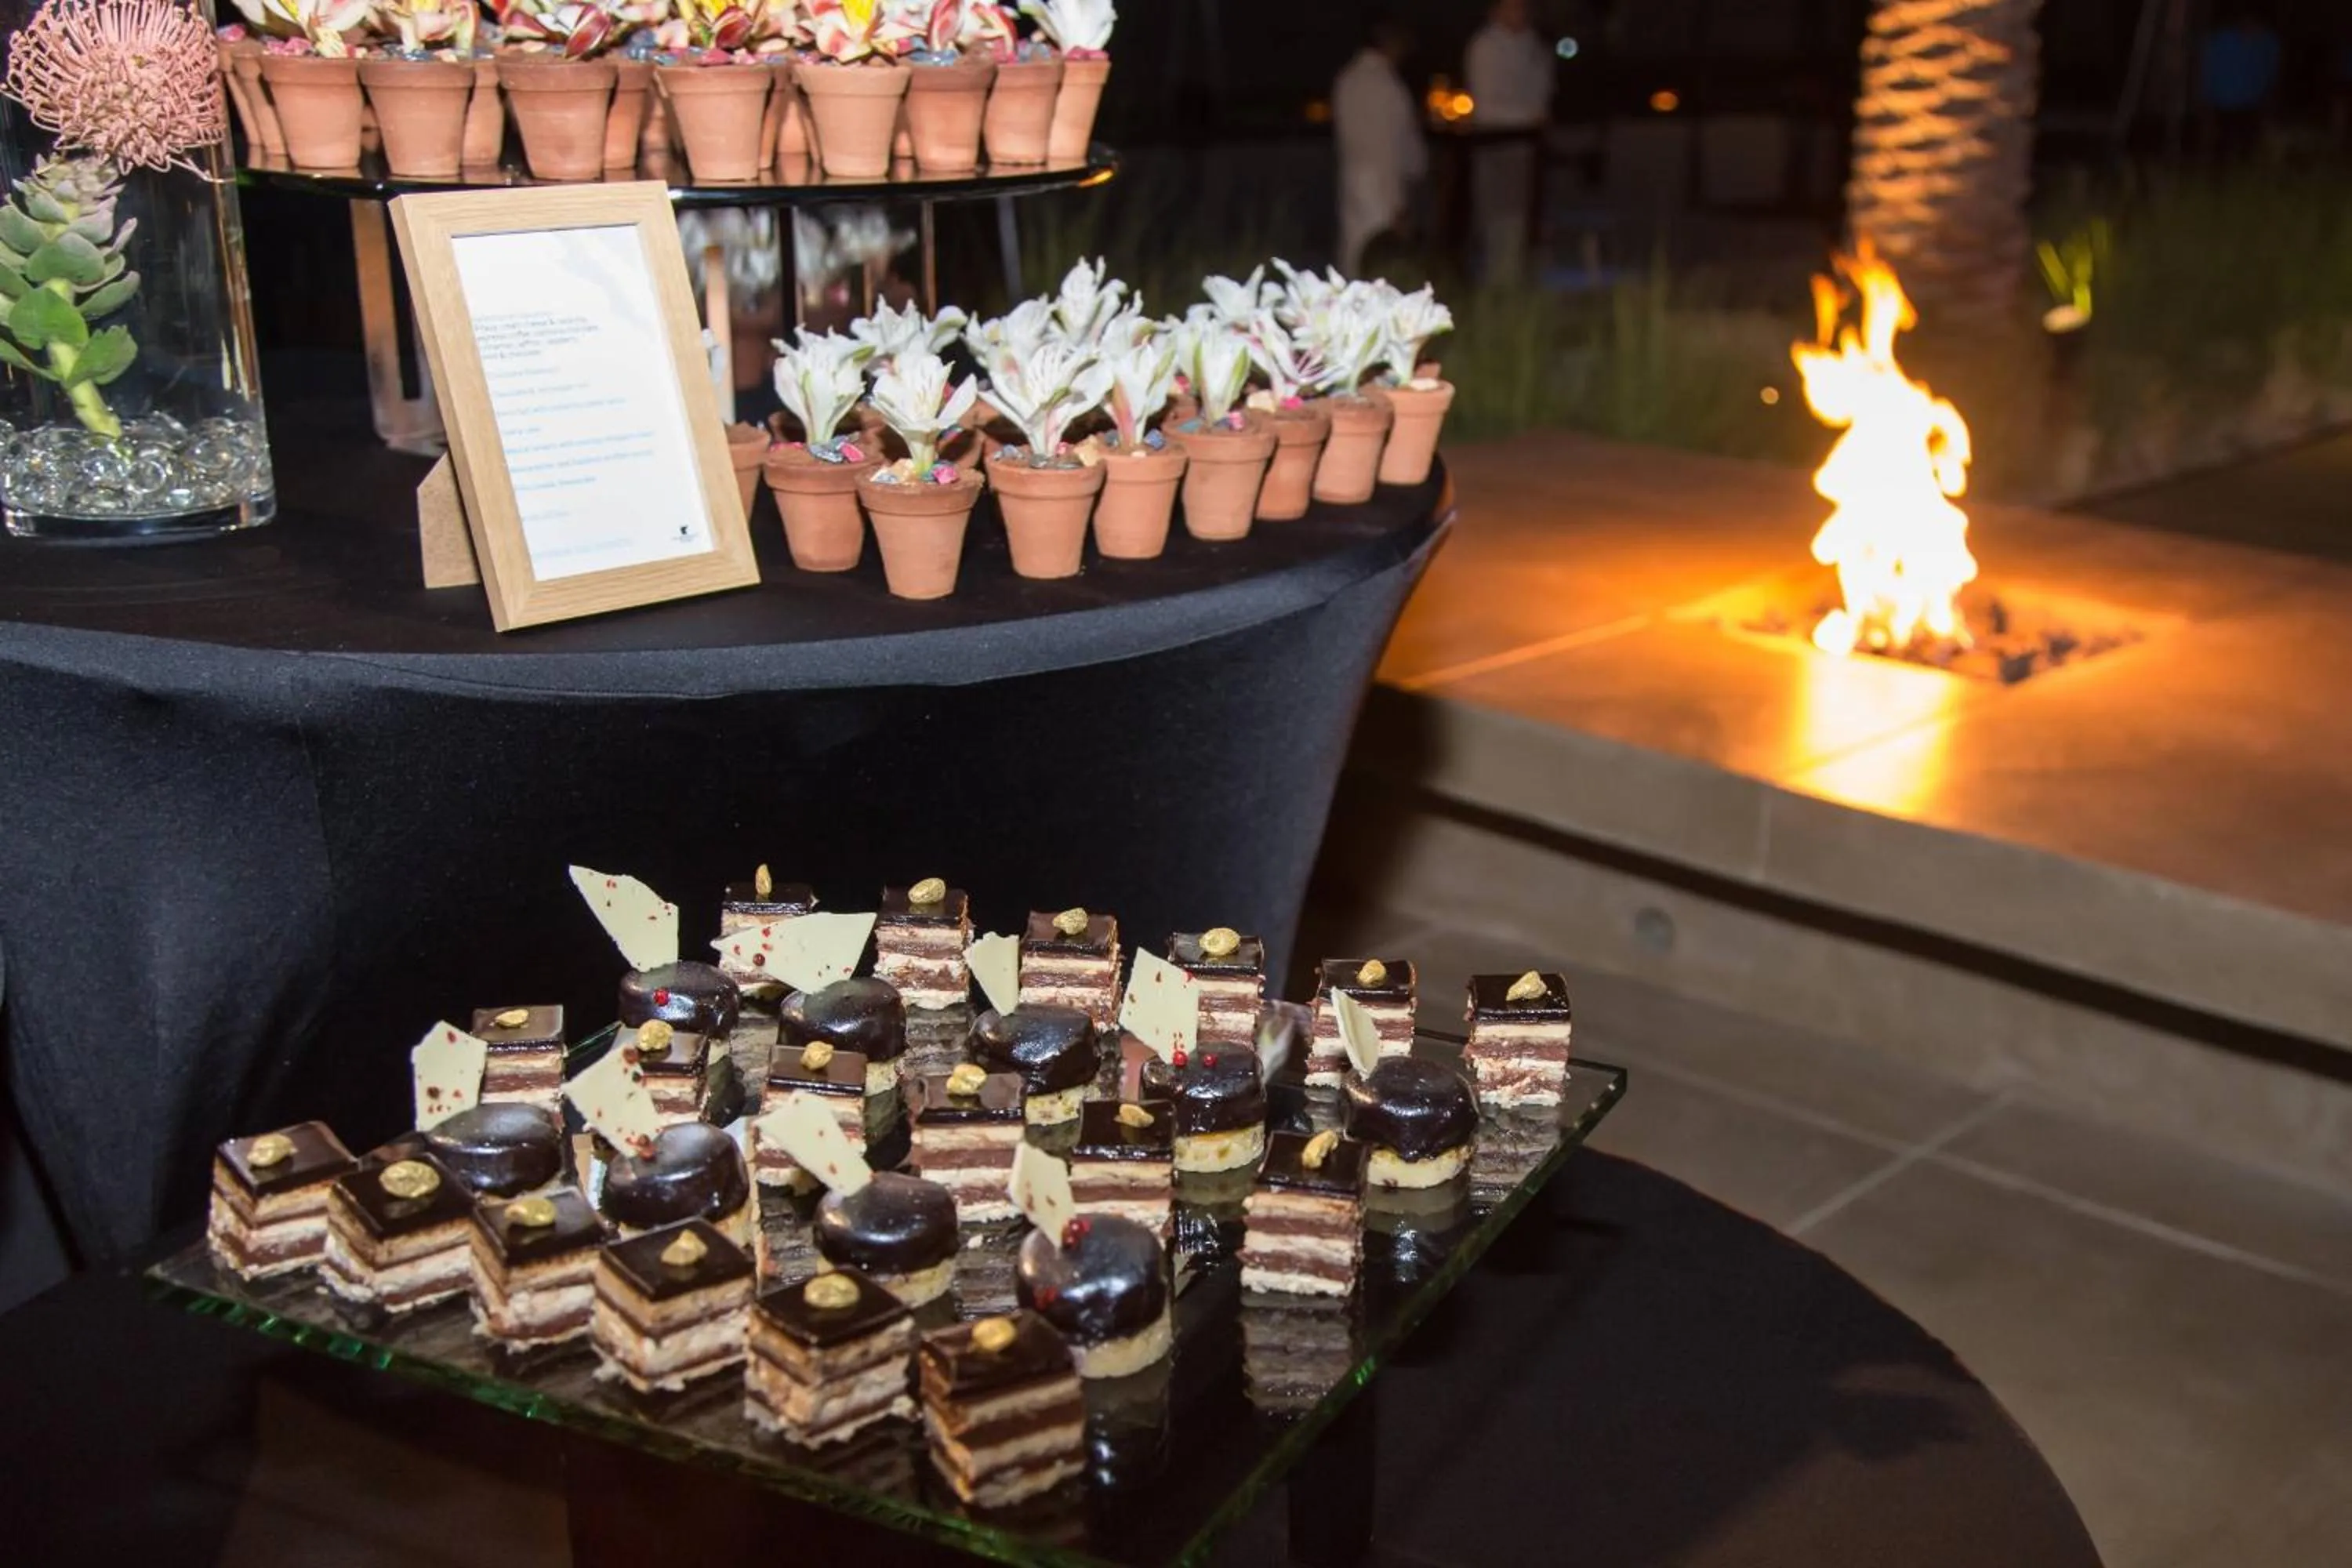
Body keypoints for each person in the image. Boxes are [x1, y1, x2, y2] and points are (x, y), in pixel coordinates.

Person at [1464, 0, 1554, 282]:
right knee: (1499, 226)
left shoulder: (1534, 48)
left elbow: (1542, 91)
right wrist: (1528, 117)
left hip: (1528, 150)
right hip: (1497, 148)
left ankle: (1516, 286)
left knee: (1521, 227)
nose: (1521, 12)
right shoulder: (1485, 47)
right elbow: (1486, 108)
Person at [1333, 15, 1428, 278]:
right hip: (1384, 186)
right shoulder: (1389, 87)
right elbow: (1396, 148)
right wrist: (1399, 201)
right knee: (1383, 264)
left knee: (1353, 257)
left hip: (1352, 180)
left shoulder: (1346, 80)